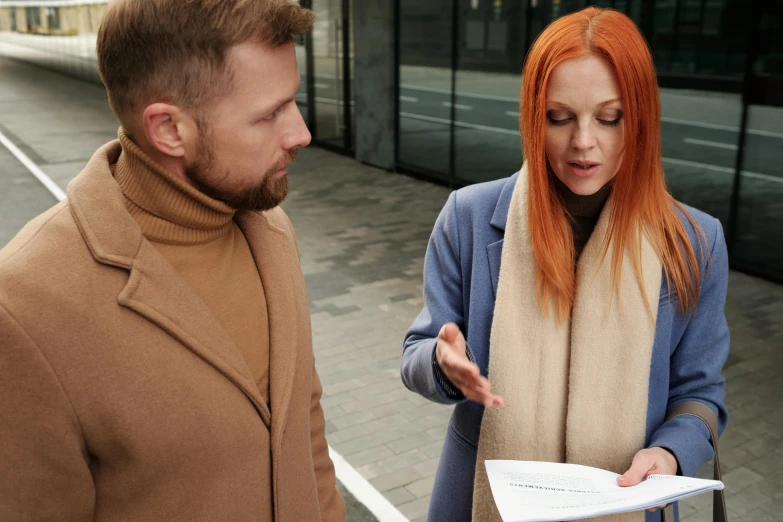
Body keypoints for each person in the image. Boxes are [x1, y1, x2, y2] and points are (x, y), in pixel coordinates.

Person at [0, 1, 345, 520]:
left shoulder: (271, 228)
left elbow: (305, 421)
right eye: (270, 113)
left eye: (292, 102)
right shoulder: (23, 305)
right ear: (168, 130)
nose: (300, 133)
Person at [401, 7, 729, 522]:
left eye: (609, 117)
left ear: (640, 117)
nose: (582, 141)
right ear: (535, 116)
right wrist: (443, 366)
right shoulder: (468, 217)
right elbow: (416, 352)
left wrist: (670, 452)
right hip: (480, 501)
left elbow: (699, 392)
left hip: (626, 503)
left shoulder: (695, 241)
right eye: (559, 117)